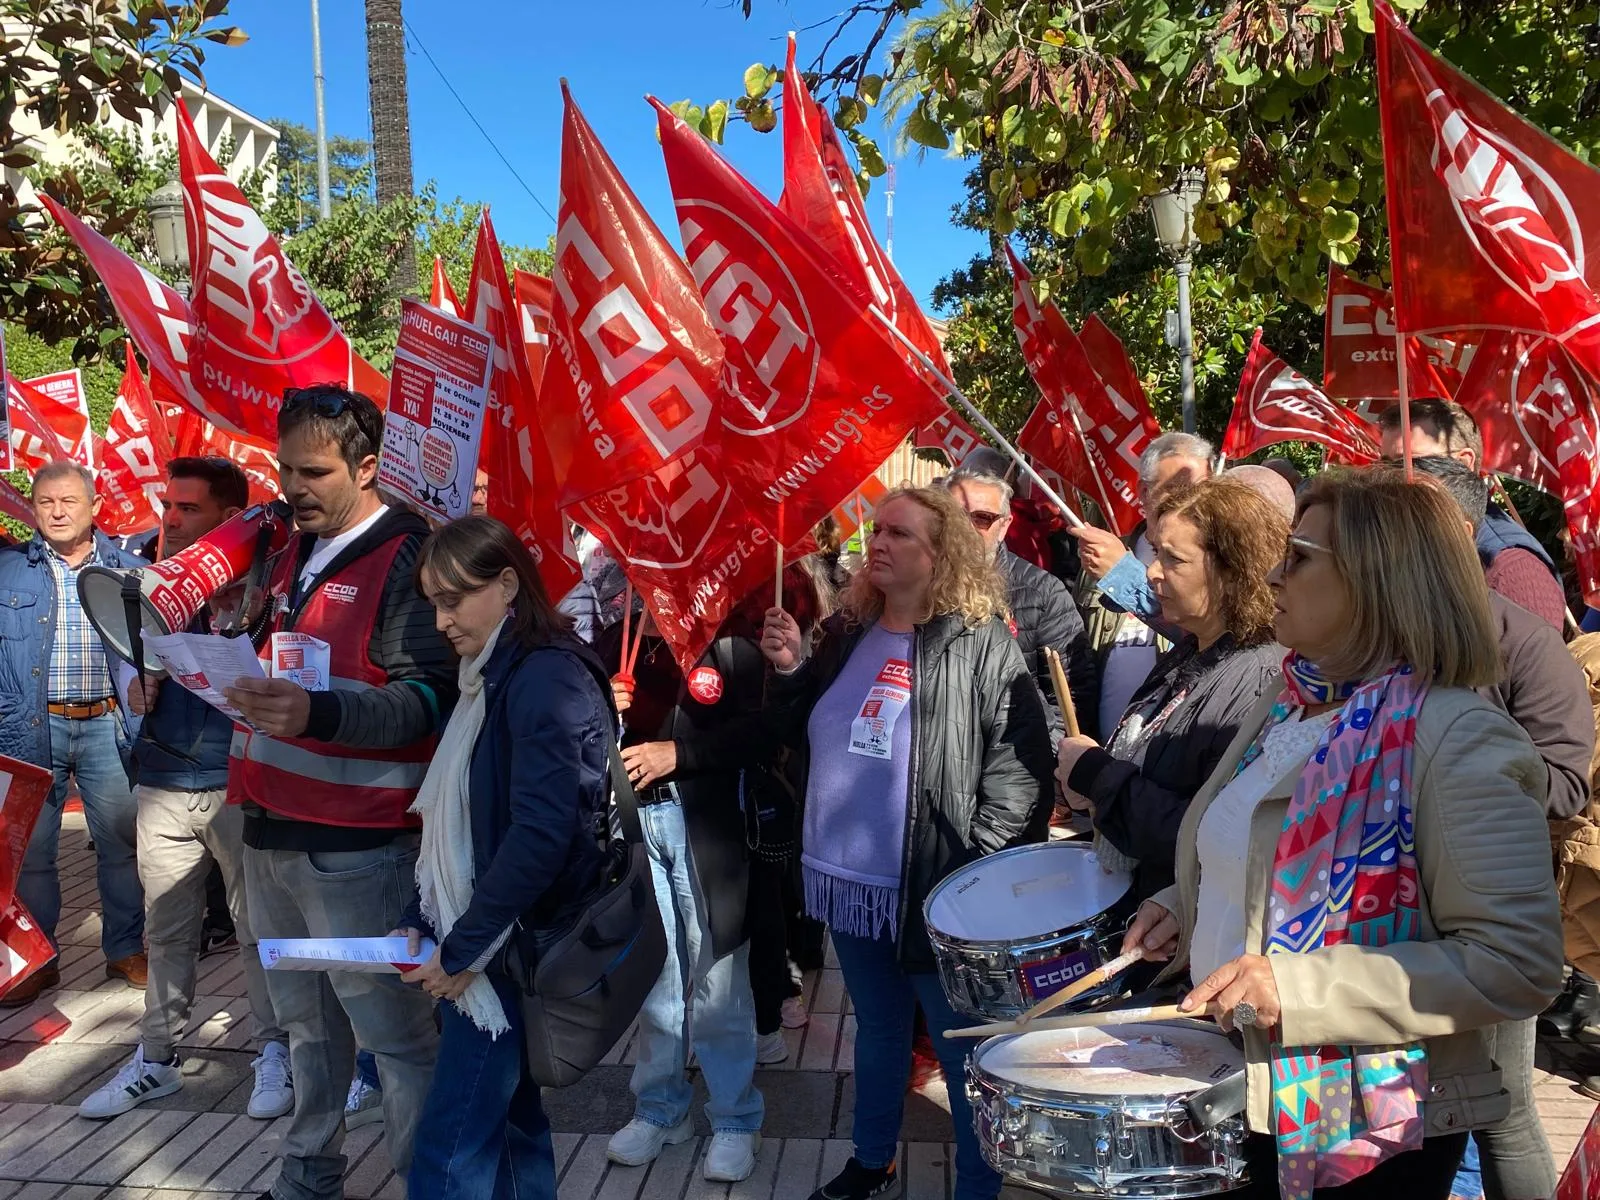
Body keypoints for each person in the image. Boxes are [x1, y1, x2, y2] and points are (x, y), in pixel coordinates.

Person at [1120, 468, 1564, 1199]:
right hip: (1251, 1085)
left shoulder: (1458, 738)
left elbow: (1517, 961)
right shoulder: (1292, 697)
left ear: (1373, 578)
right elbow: (1268, 852)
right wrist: (1187, 897)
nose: (1272, 572)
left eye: (1298, 556)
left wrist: (1299, 988)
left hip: (1370, 1120)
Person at [761, 486, 1054, 1200]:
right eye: (875, 533)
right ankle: (871, 1159)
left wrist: (967, 871)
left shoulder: (982, 643)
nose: (878, 545)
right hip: (847, 885)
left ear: (941, 553)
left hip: (936, 892)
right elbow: (804, 726)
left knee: (961, 1049)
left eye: (898, 534)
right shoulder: (847, 629)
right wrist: (796, 668)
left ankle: (979, 1186)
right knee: (882, 1030)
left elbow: (1022, 767)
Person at [224, 386, 455, 1200]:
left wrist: (317, 713)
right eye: (285, 468)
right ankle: (307, 1177)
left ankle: (428, 1185)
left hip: (359, 853)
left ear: (366, 465)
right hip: (272, 837)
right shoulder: (291, 546)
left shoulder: (408, 559)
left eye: (315, 471)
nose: (294, 486)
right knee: (307, 1032)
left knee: (393, 1039)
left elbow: (429, 696)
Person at [396, 516, 614, 1199]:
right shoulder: (493, 674)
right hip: (498, 943)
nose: (441, 621)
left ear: (508, 584)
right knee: (513, 1133)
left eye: (453, 600)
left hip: (510, 954)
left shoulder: (542, 679)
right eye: (433, 601)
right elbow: (465, 825)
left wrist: (462, 949)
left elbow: (540, 835)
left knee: (449, 1152)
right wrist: (420, 915)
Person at [78, 458, 291, 1122]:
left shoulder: (272, 585)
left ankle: (275, 1051)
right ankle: (157, 1058)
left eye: (187, 510)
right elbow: (125, 675)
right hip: (164, 783)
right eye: (167, 506)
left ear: (229, 521)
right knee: (167, 933)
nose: (169, 519)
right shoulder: (141, 580)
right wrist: (136, 693)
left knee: (258, 930)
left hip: (236, 784)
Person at [599, 601, 767, 1183]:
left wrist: (681, 754)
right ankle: (660, 1110)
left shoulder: (731, 638)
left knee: (717, 978)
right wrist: (605, 707)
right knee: (656, 975)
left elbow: (760, 733)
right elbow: (581, 730)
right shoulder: (616, 635)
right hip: (637, 826)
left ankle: (736, 1118)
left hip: (706, 829)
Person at [1057, 478, 1287, 902]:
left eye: (1173, 559)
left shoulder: (1258, 679)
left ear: (1233, 573)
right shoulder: (1195, 648)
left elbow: (1210, 835)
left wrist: (1097, 776)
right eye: (1156, 552)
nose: (1151, 571)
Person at [1, 461, 149, 1009]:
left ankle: (127, 949)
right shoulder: (7, 570)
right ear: (33, 508)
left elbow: (151, 652)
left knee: (122, 846)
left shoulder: (131, 572)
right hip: (27, 729)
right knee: (31, 853)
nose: (58, 512)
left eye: (69, 501)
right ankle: (41, 961)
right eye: (46, 502)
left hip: (107, 725)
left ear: (94, 507)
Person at [941, 464, 1099, 762]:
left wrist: (1020, 768)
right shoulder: (911, 586)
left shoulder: (1042, 593)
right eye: (953, 515)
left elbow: (1070, 704)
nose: (964, 528)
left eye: (982, 519)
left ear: (1004, 525)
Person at [1377, 399, 1568, 630]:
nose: (1388, 478)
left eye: (1409, 463)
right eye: (1385, 465)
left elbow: (1533, 662)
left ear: (1462, 463)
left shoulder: (1511, 568)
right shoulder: (1403, 543)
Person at [1072, 432, 1214, 736]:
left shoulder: (1213, 565)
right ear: (1145, 493)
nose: (1190, 503)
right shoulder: (1102, 558)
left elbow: (1209, 635)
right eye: (1176, 490)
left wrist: (1124, 579)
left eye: (1201, 490)